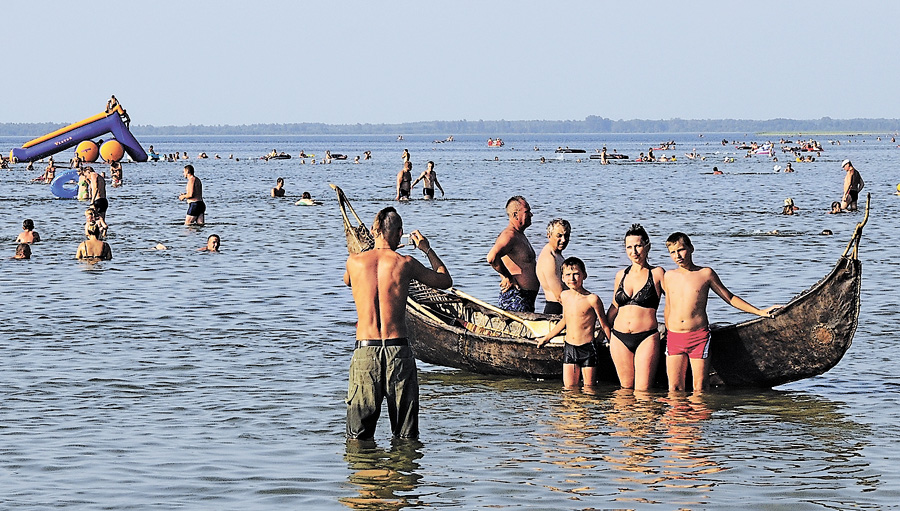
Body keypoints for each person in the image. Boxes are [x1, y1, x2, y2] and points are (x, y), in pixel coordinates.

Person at [342, 207, 452, 439]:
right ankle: (402, 472)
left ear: (374, 230)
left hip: (365, 351)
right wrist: (426, 248)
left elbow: (348, 281)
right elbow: (444, 280)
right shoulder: (406, 263)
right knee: (405, 434)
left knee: (357, 436)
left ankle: (364, 473)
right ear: (400, 233)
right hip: (398, 351)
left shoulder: (354, 262)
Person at [663, 232, 779, 392]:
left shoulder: (705, 274)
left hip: (698, 337)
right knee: (675, 388)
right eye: (673, 252)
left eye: (681, 250)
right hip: (675, 337)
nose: (678, 256)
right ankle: (678, 417)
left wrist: (759, 312)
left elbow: (730, 298)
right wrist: (669, 331)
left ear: (691, 248)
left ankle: (699, 416)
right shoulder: (668, 276)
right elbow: (668, 306)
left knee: (700, 388)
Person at [537, 257, 612, 388]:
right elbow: (565, 320)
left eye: (576, 274)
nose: (572, 278)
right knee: (569, 389)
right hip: (570, 347)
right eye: (568, 275)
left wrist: (612, 343)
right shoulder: (564, 296)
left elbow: (604, 324)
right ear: (563, 278)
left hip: (588, 348)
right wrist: (547, 338)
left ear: (584, 275)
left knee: (589, 389)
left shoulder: (592, 299)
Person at [607, 224, 665, 390]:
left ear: (648, 246)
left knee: (643, 392)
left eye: (638, 246)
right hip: (619, 337)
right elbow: (614, 307)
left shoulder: (657, 273)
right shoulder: (621, 275)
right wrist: (602, 331)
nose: (634, 251)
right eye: (629, 247)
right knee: (625, 391)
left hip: (646, 337)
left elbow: (676, 300)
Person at [486, 196, 540, 312]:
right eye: (527, 212)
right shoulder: (509, 235)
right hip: (516, 297)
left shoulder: (519, 235)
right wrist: (507, 276)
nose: (531, 215)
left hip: (526, 297)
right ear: (515, 215)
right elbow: (492, 258)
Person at [536, 218, 571, 314]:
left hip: (562, 306)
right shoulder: (549, 258)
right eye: (559, 236)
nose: (563, 240)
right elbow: (559, 295)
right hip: (555, 308)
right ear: (549, 236)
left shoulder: (557, 254)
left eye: (566, 236)